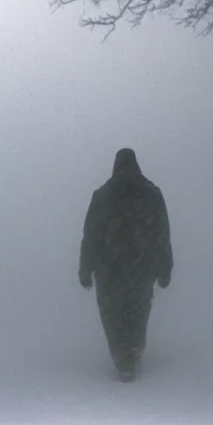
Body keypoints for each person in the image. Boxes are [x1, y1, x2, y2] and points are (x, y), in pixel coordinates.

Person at [78, 148, 173, 382]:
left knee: (113, 313)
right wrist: (165, 267)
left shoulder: (102, 196)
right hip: (142, 265)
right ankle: (133, 351)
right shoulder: (152, 194)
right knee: (138, 310)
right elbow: (162, 232)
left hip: (109, 267)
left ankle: (123, 359)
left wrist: (85, 269)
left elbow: (91, 235)